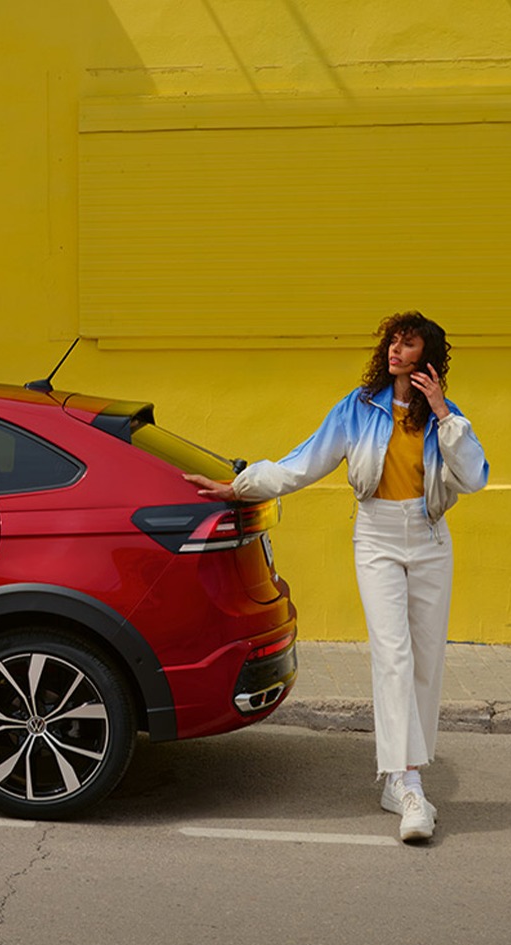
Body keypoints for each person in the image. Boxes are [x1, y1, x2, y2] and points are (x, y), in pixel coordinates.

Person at [182, 312, 488, 844]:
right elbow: (303, 463)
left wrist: (441, 412)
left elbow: (474, 476)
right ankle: (408, 784)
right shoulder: (357, 408)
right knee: (392, 654)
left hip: (431, 537)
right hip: (377, 538)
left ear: (427, 357)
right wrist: (241, 485)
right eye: (392, 340)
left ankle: (401, 776)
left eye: (408, 343)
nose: (395, 349)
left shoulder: (447, 418)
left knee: (425, 656)